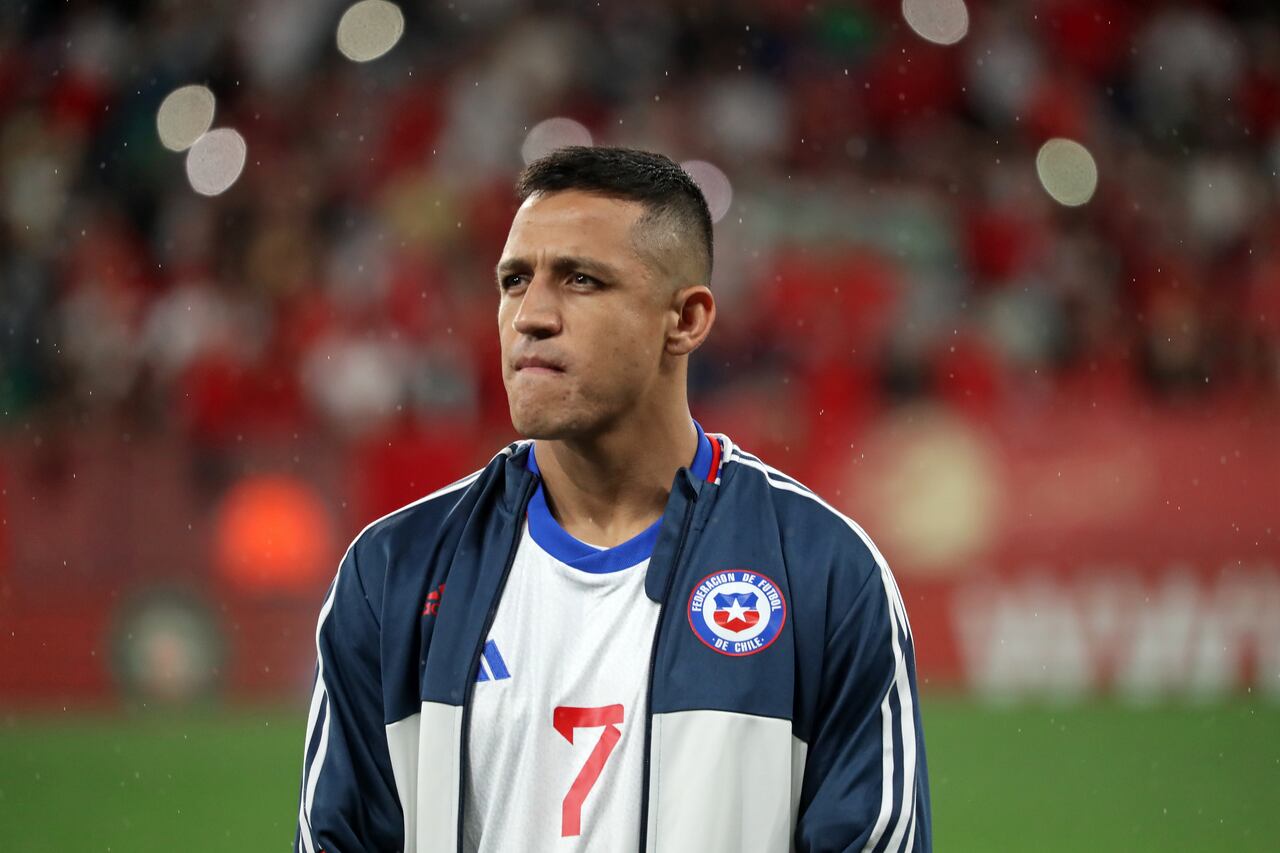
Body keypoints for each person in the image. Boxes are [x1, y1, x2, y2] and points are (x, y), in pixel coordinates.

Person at [294, 146, 930, 853]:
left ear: (685, 319)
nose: (530, 315)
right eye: (514, 280)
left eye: (581, 280)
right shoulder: (395, 572)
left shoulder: (823, 574)